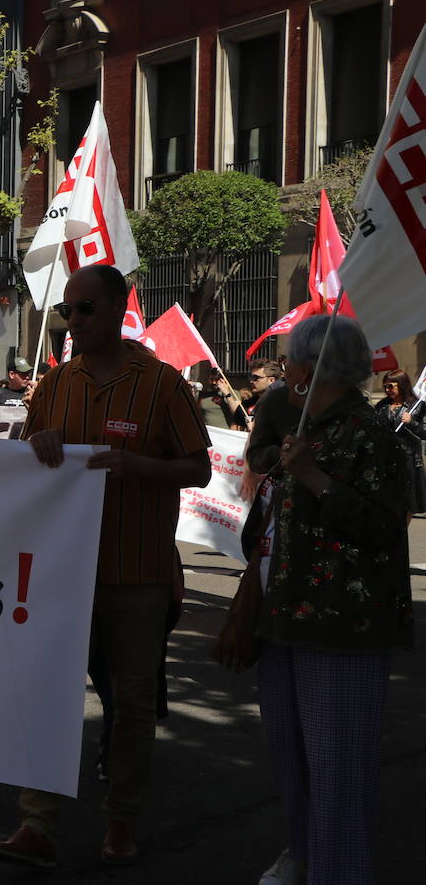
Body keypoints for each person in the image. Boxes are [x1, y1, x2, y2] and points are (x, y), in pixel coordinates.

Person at [0, 264, 211, 868]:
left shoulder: (163, 385)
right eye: (67, 310)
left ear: (118, 308)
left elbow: (199, 470)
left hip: (136, 573)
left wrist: (141, 468)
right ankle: (37, 823)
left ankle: (121, 821)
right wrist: (34, 447)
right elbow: (28, 463)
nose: (73, 321)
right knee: (45, 695)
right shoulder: (56, 385)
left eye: (84, 309)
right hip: (62, 574)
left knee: (132, 704)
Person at [240, 316, 413, 885]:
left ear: (312, 369)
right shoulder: (306, 425)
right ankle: (304, 854)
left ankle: (338, 871)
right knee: (293, 761)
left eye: (289, 359)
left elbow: (386, 526)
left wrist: (313, 476)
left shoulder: (369, 434)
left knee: (339, 770)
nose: (282, 368)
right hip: (287, 616)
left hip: (342, 628)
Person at [375, 368, 426, 518]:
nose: (387, 390)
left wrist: (411, 423)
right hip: (386, 458)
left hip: (408, 459)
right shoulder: (381, 406)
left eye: (391, 386)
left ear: (402, 385)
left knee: (408, 502)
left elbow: (424, 432)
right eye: (385, 386)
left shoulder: (417, 406)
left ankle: (402, 531)